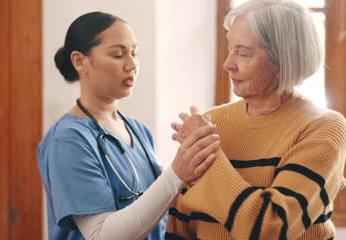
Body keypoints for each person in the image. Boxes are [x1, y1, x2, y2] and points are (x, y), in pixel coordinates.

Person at [165, 0, 346, 240]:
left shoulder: (324, 128)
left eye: (243, 53)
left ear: (283, 58)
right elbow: (180, 223)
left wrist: (209, 157)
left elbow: (270, 228)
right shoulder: (212, 121)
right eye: (230, 49)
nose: (228, 64)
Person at [37, 12, 220, 240]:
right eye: (118, 55)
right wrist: (177, 174)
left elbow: (157, 208)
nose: (132, 65)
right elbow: (101, 235)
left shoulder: (139, 131)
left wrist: (195, 160)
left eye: (134, 53)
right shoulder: (68, 140)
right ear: (79, 61)